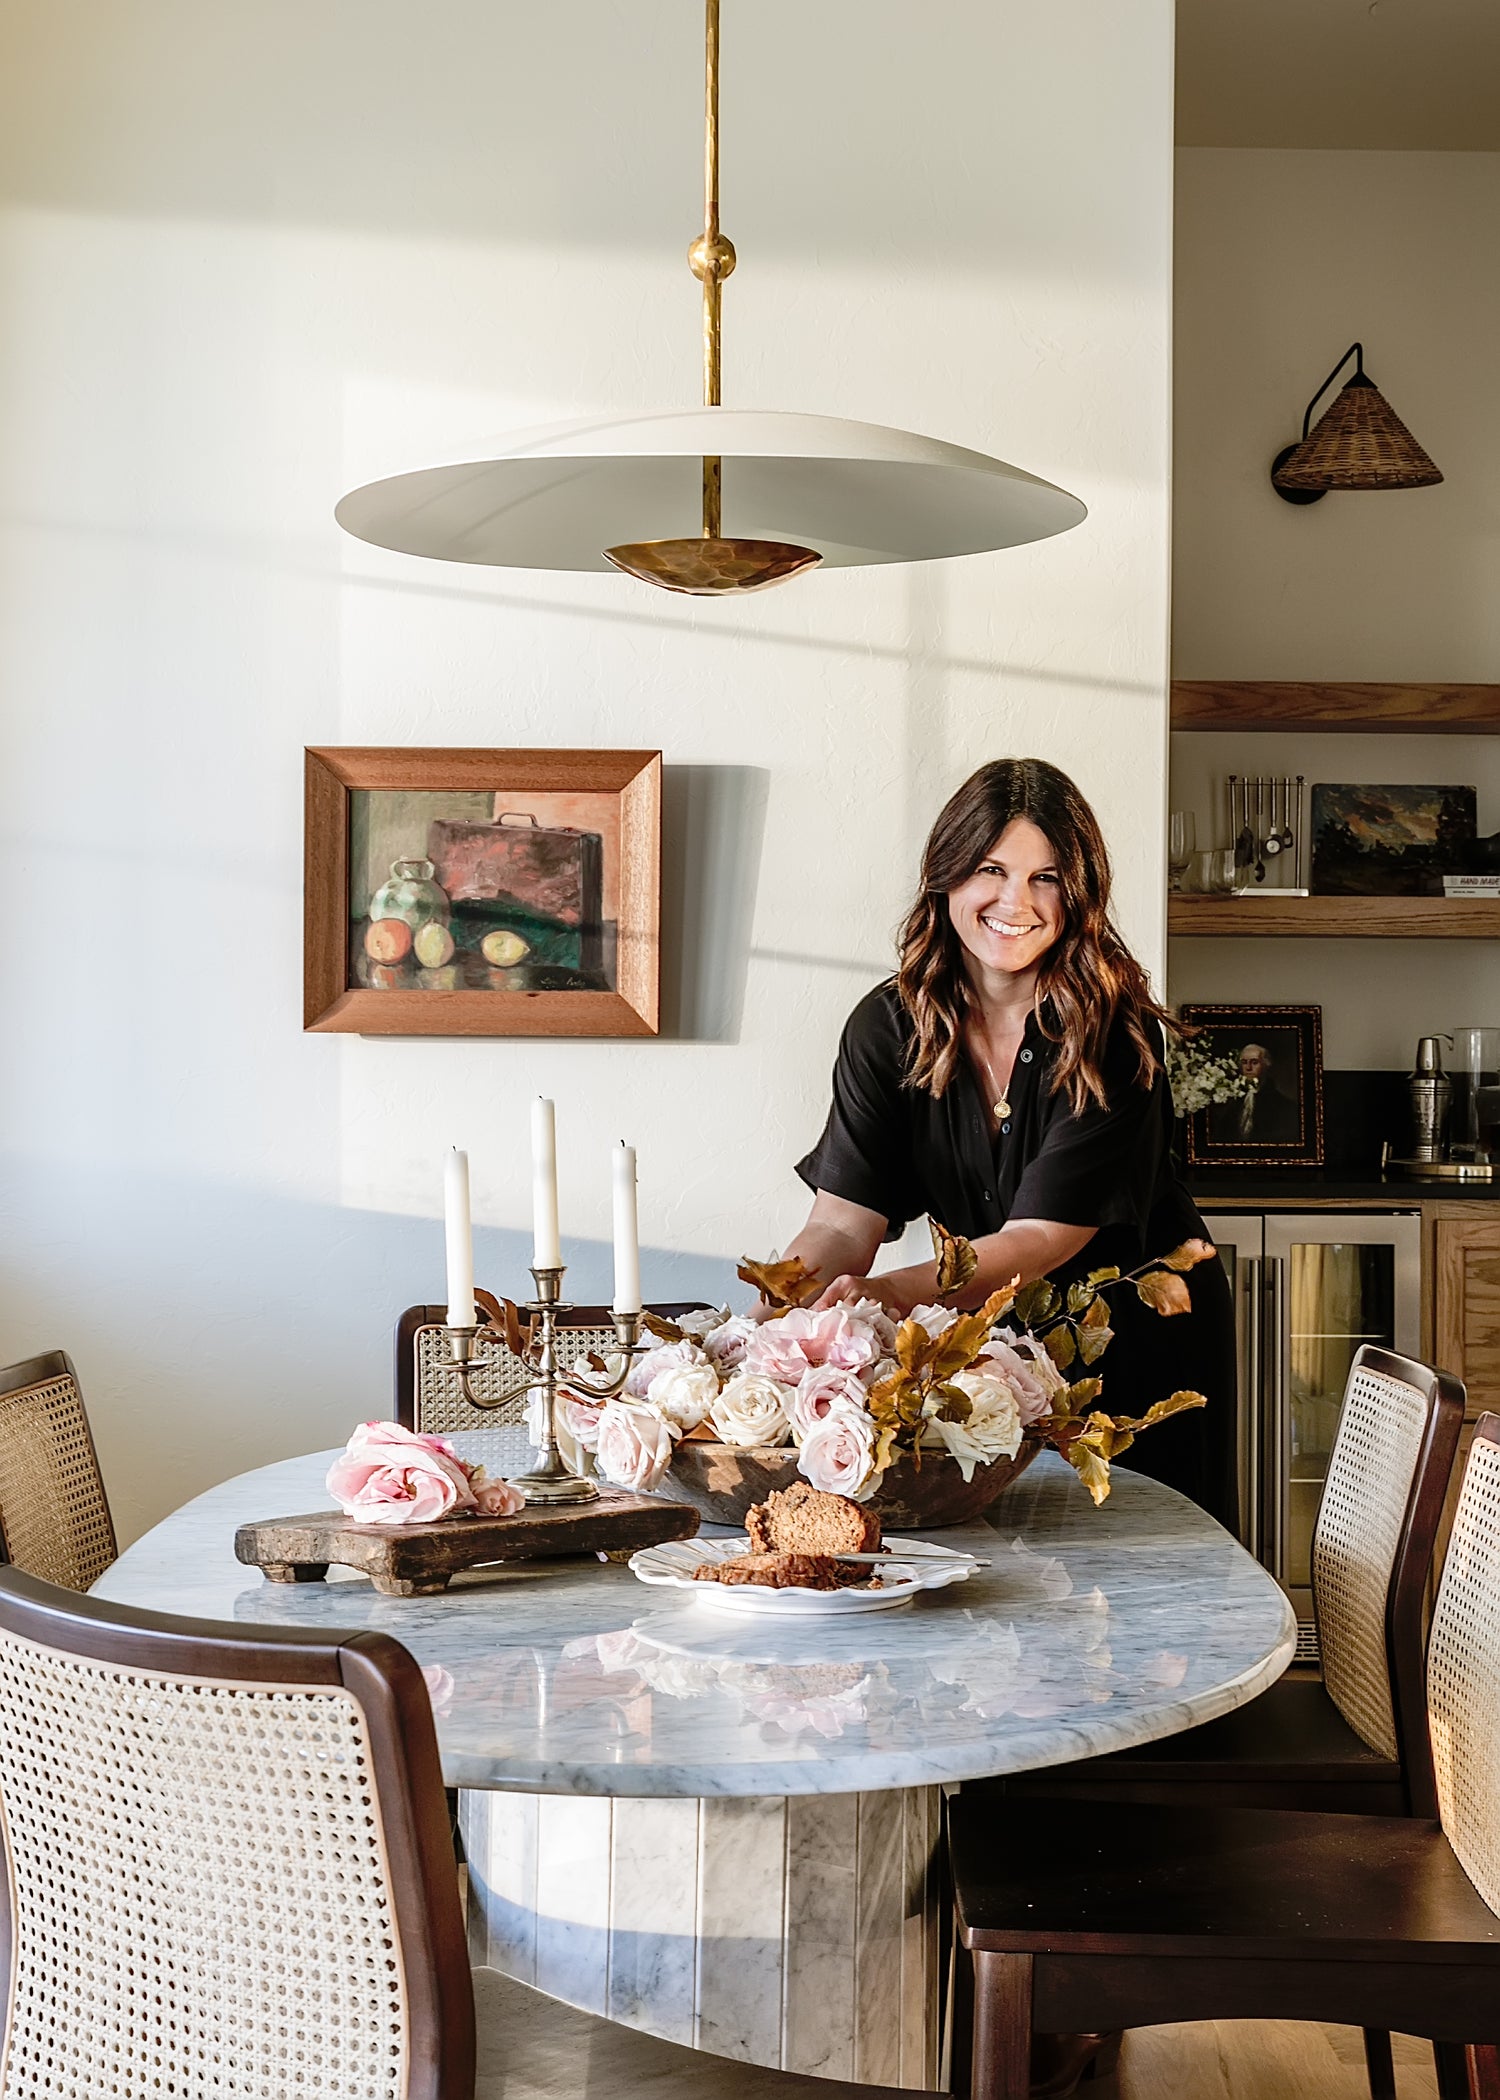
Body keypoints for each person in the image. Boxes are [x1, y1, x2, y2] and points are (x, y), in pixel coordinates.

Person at [779, 757, 1237, 1528]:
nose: (1015, 902)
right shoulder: (887, 1027)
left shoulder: (1115, 1037)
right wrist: (782, 1315)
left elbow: (1040, 1236)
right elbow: (840, 1222)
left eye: (1046, 877)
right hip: (995, 1353)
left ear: (1078, 892)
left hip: (1141, 1346)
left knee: (1144, 1591)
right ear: (948, 876)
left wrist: (886, 1297)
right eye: (991, 869)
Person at [1219, 1040, 1301, 1145]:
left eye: (1254, 1062)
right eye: (1244, 1062)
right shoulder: (1233, 1100)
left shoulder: (1284, 1105)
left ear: (1266, 1064)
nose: (1248, 1068)